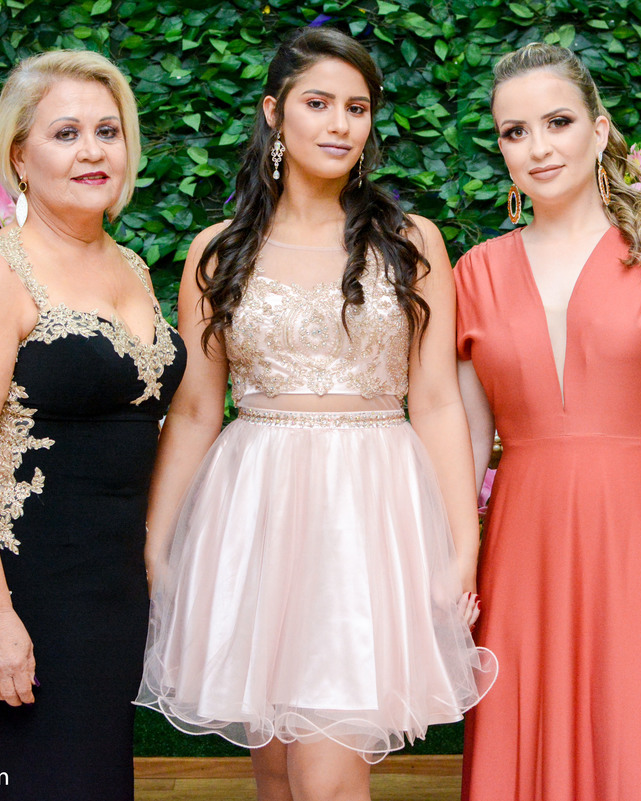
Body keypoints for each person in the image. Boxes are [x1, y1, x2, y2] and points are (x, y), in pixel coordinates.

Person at [135, 27, 494, 801]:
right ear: (275, 112)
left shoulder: (411, 244)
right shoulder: (217, 252)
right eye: (318, 103)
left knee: (328, 780)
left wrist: (461, 545)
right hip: (254, 517)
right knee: (276, 777)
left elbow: (436, 402)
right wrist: (159, 543)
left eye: (357, 108)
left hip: (369, 519)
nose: (340, 124)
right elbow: (194, 412)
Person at [455, 43, 641, 801]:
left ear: (600, 129)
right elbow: (466, 443)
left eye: (558, 122)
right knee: (527, 734)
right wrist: (453, 565)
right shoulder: (475, 273)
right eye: (515, 132)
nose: (538, 148)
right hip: (523, 550)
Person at [0, 50, 186, 800]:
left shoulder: (132, 265)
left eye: (108, 131)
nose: (92, 151)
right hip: (25, 589)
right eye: (66, 133)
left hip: (113, 587)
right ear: (19, 156)